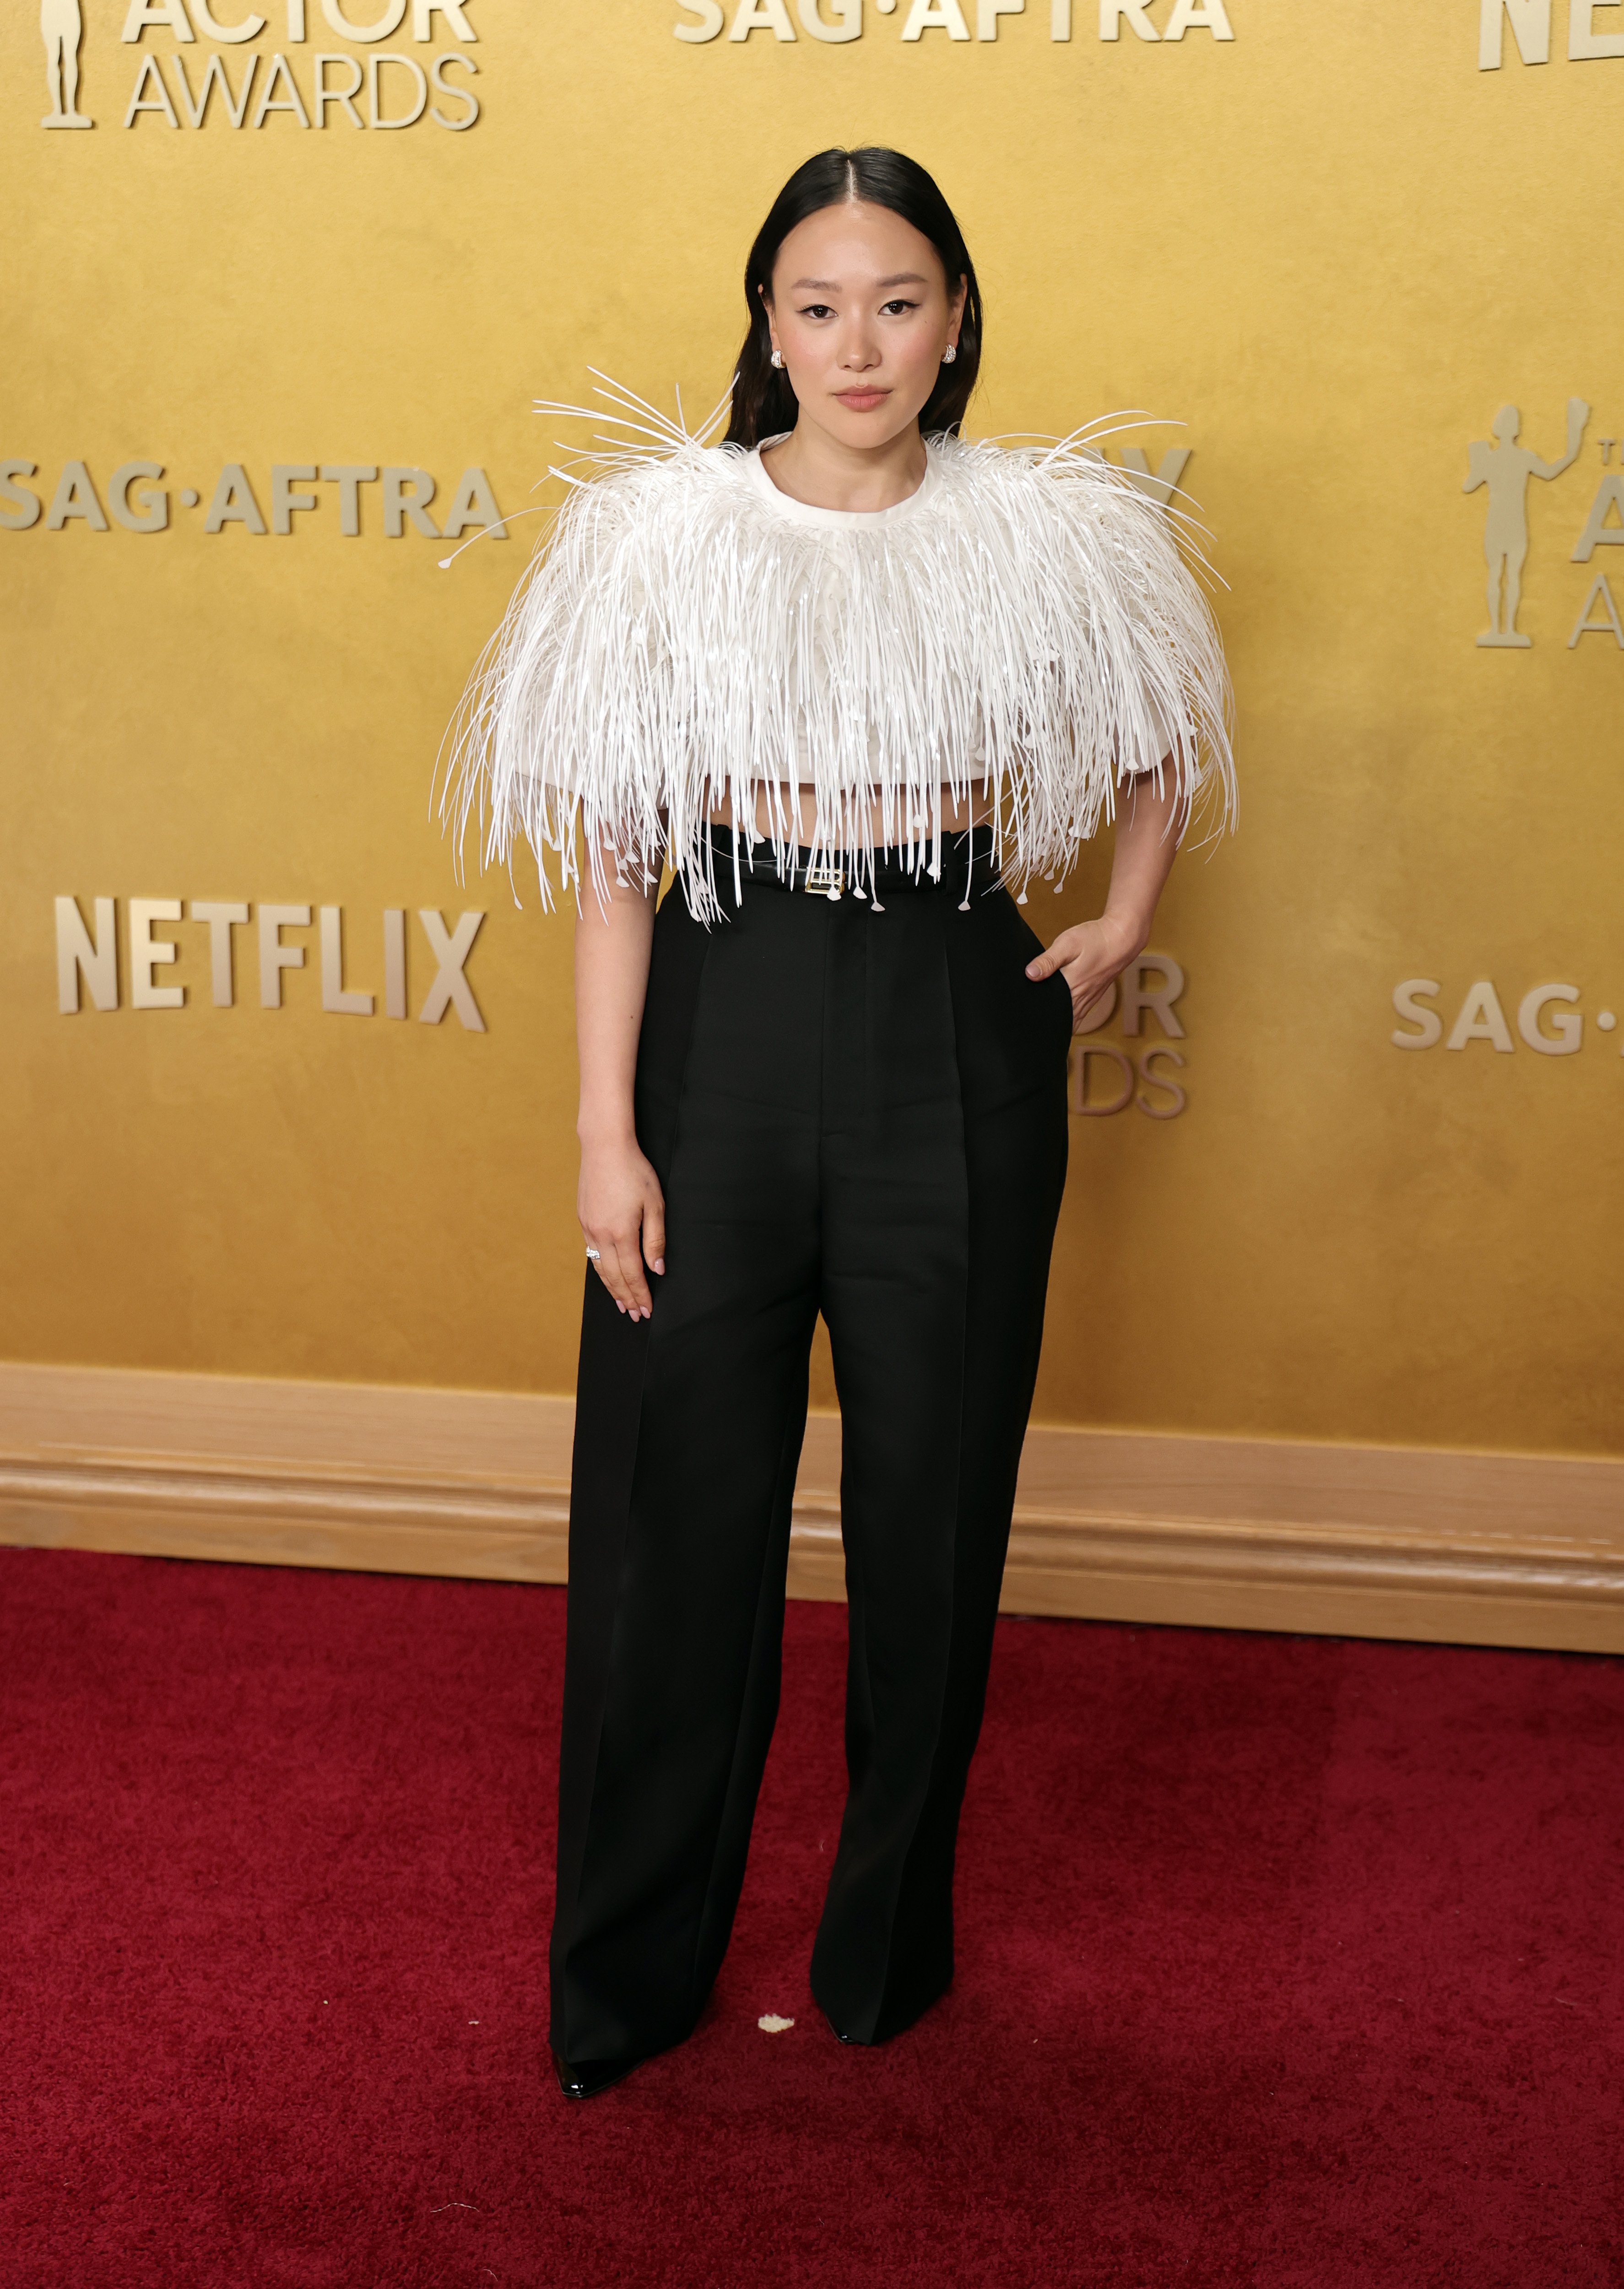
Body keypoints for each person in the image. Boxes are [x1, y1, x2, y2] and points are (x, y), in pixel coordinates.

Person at [446, 146, 1234, 2099]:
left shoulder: (1045, 527)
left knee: (929, 1506)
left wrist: (1121, 916)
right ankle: (626, 1974)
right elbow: (613, 858)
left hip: (950, 1010)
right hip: (719, 1012)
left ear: (953, 317)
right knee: (669, 1524)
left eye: (896, 300)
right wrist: (599, 1133)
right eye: (816, 304)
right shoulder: (661, 535)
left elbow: (1159, 739)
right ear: (765, 326)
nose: (856, 341)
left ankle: (883, 1949)